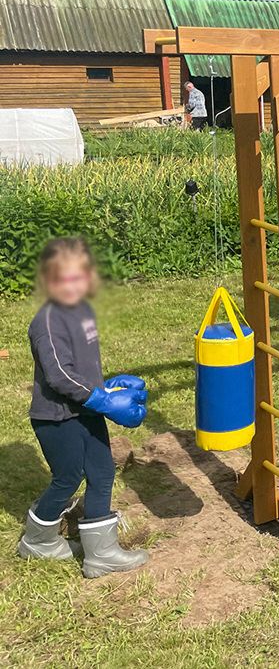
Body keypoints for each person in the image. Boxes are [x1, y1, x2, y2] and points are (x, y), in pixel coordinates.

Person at [18, 237, 150, 578]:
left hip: (86, 410)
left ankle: (101, 554)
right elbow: (59, 375)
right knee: (68, 478)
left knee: (102, 472)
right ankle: (37, 540)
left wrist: (107, 387)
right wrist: (102, 399)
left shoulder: (82, 312)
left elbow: (81, 367)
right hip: (57, 418)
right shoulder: (47, 322)